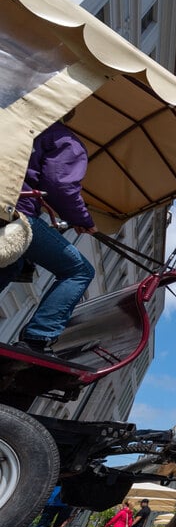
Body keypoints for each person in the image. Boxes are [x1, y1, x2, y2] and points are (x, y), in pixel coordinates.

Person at [0, 115, 97, 355]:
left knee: (13, 263)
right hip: (15, 213)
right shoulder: (64, 139)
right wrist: (83, 220)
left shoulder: (11, 119)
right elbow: (60, 186)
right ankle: (37, 339)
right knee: (79, 271)